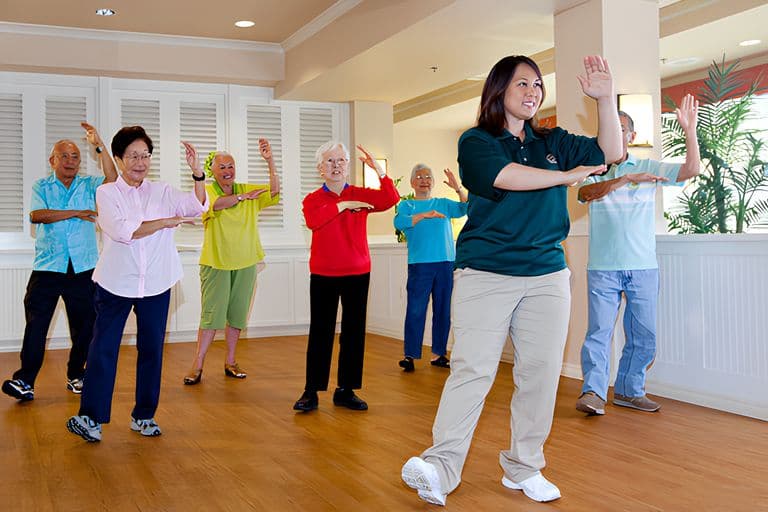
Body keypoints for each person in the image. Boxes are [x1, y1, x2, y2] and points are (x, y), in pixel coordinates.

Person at [401, 54, 622, 506]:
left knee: (540, 375)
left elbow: (611, 153)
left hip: (546, 274)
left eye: (538, 85)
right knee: (473, 369)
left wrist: (604, 100)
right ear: (499, 90)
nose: (533, 92)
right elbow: (507, 177)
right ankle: (441, 469)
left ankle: (524, 468)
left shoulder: (552, 139)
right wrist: (566, 177)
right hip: (486, 272)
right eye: (522, 84)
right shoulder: (477, 141)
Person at [66, 126, 208, 442]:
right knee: (102, 348)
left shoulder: (163, 191)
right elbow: (123, 231)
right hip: (115, 283)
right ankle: (90, 418)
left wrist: (197, 174)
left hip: (156, 284)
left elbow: (197, 207)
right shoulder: (107, 193)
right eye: (132, 156)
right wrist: (165, 223)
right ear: (118, 159)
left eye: (145, 155)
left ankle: (144, 416)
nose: (140, 162)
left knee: (152, 350)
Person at [575, 94, 700, 416]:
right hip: (603, 267)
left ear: (631, 135)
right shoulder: (594, 168)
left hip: (643, 267)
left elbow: (690, 170)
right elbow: (584, 194)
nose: (617, 134)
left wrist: (690, 131)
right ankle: (593, 392)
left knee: (644, 335)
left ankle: (630, 391)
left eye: (622, 129)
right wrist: (626, 179)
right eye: (610, 129)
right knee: (599, 334)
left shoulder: (649, 166)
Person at [2, 123, 117, 402]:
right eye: (64, 156)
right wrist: (77, 212)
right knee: (36, 326)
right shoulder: (42, 185)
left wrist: (99, 144)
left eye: (75, 156)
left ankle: (76, 374)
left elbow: (113, 179)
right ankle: (25, 381)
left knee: (85, 327)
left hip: (83, 268)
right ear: (53, 160)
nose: (70, 161)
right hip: (48, 268)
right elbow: (38, 215)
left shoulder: (89, 184)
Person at [292, 142, 399, 412]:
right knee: (321, 332)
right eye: (330, 161)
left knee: (353, 333)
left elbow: (391, 199)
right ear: (320, 169)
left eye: (341, 160)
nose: (336, 165)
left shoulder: (362, 194)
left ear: (348, 166)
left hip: (358, 272)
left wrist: (379, 171)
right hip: (323, 273)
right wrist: (344, 205)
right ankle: (311, 391)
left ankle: (346, 390)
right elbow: (314, 221)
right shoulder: (312, 199)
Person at [182, 140, 280, 385]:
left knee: (237, 316)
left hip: (246, 262)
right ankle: (198, 364)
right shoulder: (208, 190)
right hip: (216, 263)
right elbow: (213, 205)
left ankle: (231, 361)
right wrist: (241, 197)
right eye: (222, 167)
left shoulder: (247, 189)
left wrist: (270, 161)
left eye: (231, 166)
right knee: (210, 317)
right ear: (213, 171)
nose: (227, 171)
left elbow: (274, 191)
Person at [393, 165, 467, 372]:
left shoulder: (443, 203)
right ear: (412, 183)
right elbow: (399, 222)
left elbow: (466, 208)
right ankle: (410, 355)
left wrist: (458, 189)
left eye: (428, 176)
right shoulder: (407, 205)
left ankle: (438, 354)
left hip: (445, 263)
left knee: (443, 310)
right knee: (416, 309)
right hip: (420, 264)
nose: (424, 180)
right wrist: (425, 215)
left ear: (433, 182)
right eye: (419, 177)